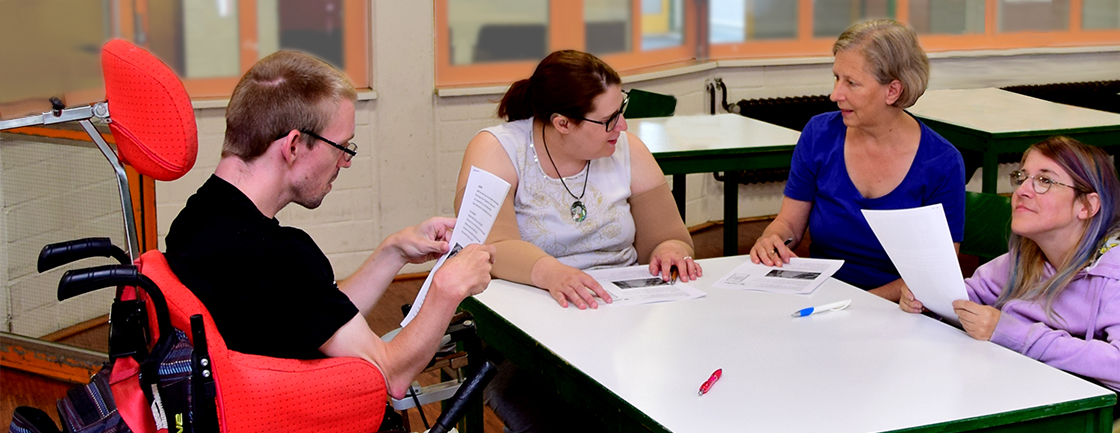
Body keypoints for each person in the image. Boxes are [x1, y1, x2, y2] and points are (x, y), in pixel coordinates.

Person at [165, 51, 495, 403]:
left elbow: (313, 313)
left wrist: (393, 251)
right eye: (341, 146)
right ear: (293, 145)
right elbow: (391, 374)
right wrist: (448, 288)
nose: (345, 162)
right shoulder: (277, 254)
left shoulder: (198, 216)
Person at [899, 136, 1120, 398]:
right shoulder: (1029, 255)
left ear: (1087, 206)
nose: (1022, 190)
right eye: (1023, 177)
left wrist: (1012, 333)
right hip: (1010, 390)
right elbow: (968, 296)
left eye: (1045, 181)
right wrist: (929, 298)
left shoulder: (1117, 278)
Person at [456, 50, 697, 310]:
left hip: (619, 302)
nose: (623, 126)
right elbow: (490, 247)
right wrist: (552, 273)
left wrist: (671, 250)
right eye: (608, 120)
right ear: (562, 123)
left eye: (621, 110)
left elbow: (671, 237)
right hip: (533, 298)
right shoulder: (498, 149)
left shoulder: (628, 150)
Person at [749, 19, 966, 301]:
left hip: (897, 309)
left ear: (893, 91)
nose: (835, 94)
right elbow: (789, 224)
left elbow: (937, 274)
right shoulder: (819, 134)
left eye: (851, 83)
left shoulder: (942, 162)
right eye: (836, 78)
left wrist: (861, 304)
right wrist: (773, 239)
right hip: (822, 296)